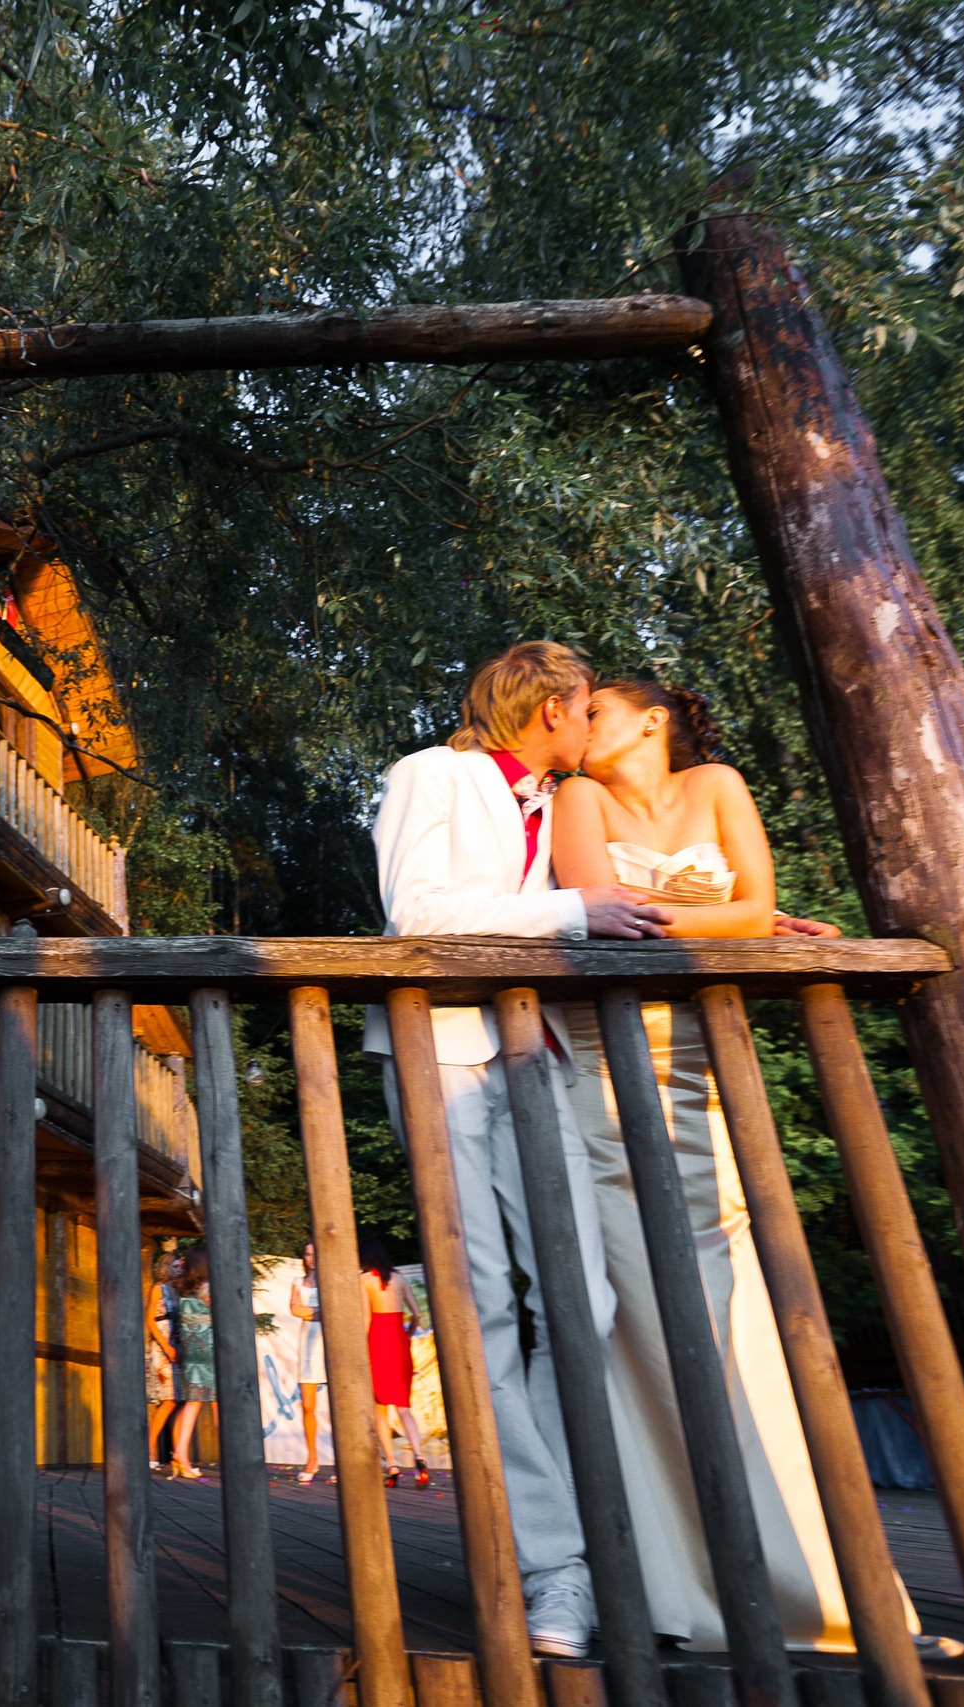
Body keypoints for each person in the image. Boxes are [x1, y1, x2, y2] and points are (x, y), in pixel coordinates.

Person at [551, 679, 934, 1655]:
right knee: (642, 1314)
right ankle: (679, 1588)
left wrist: (734, 920)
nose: (571, 722)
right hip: (603, 1070)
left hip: (702, 1067)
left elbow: (753, 902)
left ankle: (810, 1580)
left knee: (738, 1311)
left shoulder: (717, 783)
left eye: (591, 707)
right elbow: (607, 918)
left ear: (649, 720)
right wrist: (727, 924)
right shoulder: (576, 800)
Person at [364, 639, 671, 1659]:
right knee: (482, 1310)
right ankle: (556, 1571)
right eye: (585, 711)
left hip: (535, 1059)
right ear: (547, 708)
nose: (592, 729)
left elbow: (633, 900)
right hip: (444, 1056)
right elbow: (418, 913)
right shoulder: (432, 776)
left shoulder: (564, 813)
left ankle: (569, 1545)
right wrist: (572, 911)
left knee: (583, 1302)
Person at [359, 1240, 432, 1490]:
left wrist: (364, 1349)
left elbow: (367, 1316)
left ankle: (391, 1466)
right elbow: (418, 1314)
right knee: (403, 1407)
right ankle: (420, 1458)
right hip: (398, 1339)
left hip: (377, 1340)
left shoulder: (364, 1279)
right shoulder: (399, 1279)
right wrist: (409, 1333)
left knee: (379, 1408)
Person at [167, 1252, 217, 1480]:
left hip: (190, 1347)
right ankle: (181, 1454)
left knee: (192, 1403)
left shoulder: (184, 1290)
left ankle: (181, 1455)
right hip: (206, 1347)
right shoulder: (207, 1289)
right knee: (201, 1404)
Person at [289, 1242, 328, 1484]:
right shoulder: (296, 1282)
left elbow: (334, 1311)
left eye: (315, 1253)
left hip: (329, 1343)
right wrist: (319, 1311)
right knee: (308, 1406)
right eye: (307, 1253)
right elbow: (294, 1309)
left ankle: (344, 1460)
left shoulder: (330, 1280)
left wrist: (309, 1310)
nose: (311, 1258)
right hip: (307, 1345)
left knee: (339, 1407)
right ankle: (312, 1458)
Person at [145, 1251, 181, 1471]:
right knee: (167, 1399)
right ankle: (150, 1448)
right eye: (176, 1266)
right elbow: (150, 1319)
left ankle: (177, 1452)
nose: (179, 1270)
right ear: (167, 1267)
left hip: (175, 1345)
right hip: (161, 1345)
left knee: (176, 1400)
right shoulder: (158, 1288)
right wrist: (165, 1346)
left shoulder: (177, 1291)